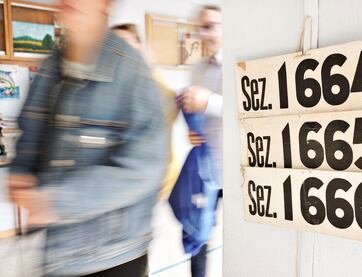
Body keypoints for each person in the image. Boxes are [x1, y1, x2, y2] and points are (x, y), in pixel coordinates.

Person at [7, 0, 166, 276]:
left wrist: (56, 202)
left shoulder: (132, 72)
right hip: (56, 253)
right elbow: (30, 134)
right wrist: (21, 172)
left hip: (113, 255)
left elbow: (145, 169)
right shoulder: (50, 68)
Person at [111, 23, 180, 199]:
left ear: (139, 47)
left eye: (125, 42)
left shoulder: (153, 83)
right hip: (124, 183)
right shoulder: (116, 84)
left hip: (155, 181)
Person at [180, 5, 222, 277]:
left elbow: (248, 109)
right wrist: (192, 130)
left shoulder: (236, 62)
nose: (203, 33)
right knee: (198, 234)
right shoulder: (196, 71)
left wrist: (208, 102)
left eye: (210, 26)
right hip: (204, 169)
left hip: (232, 170)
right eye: (200, 27)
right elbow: (197, 117)